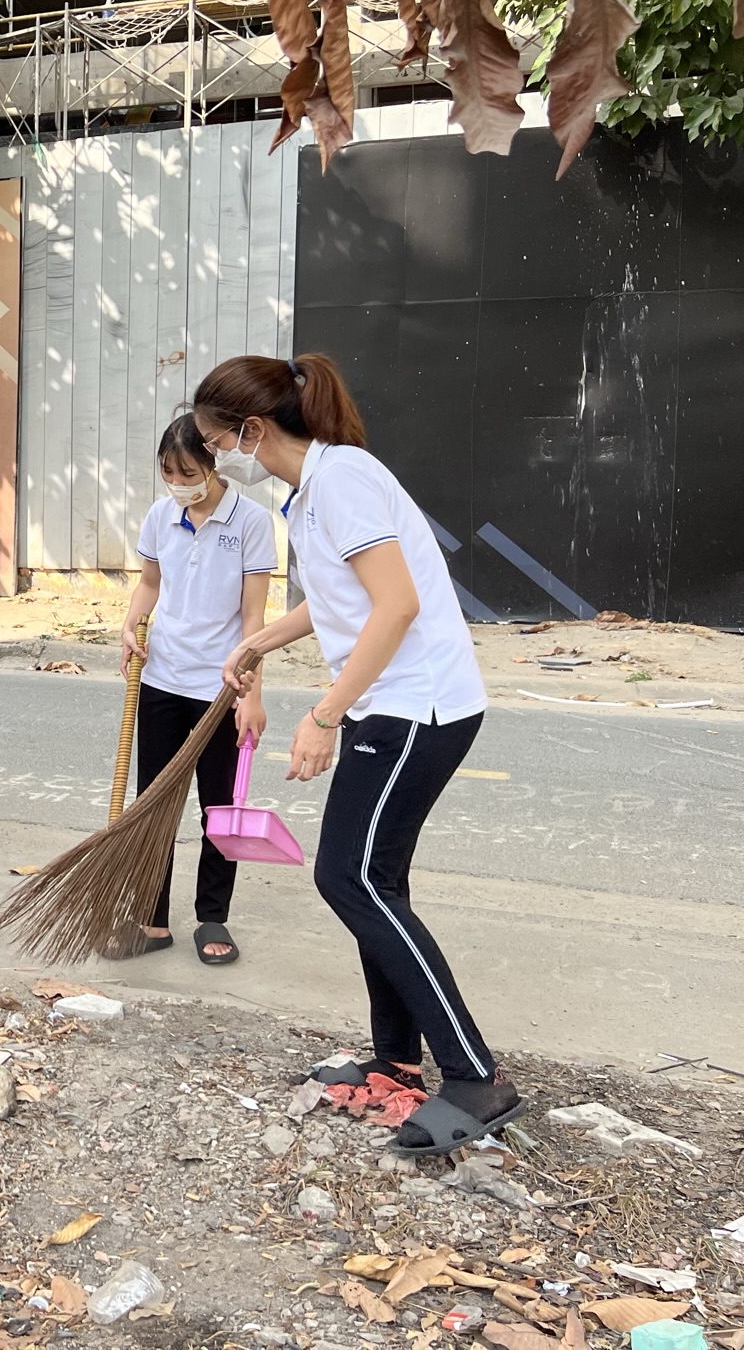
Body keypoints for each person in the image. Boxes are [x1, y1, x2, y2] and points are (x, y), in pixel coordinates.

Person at [193, 351, 525, 1157]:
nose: (213, 459)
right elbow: (341, 596)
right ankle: (397, 1060)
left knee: (348, 876)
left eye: (213, 443)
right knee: (374, 881)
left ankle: (475, 1076)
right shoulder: (315, 491)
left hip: (417, 708)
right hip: (399, 705)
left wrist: (326, 714)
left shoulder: (341, 481)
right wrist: (261, 638)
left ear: (251, 428)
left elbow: (397, 604)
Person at [107, 413, 276, 965]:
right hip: (162, 679)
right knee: (153, 805)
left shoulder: (250, 522)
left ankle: (211, 917)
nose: (178, 482)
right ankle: (153, 920)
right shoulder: (161, 516)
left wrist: (251, 692)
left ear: (213, 464)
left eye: (187, 471)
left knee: (218, 807)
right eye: (168, 472)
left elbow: (255, 616)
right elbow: (151, 582)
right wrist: (132, 623)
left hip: (221, 687)